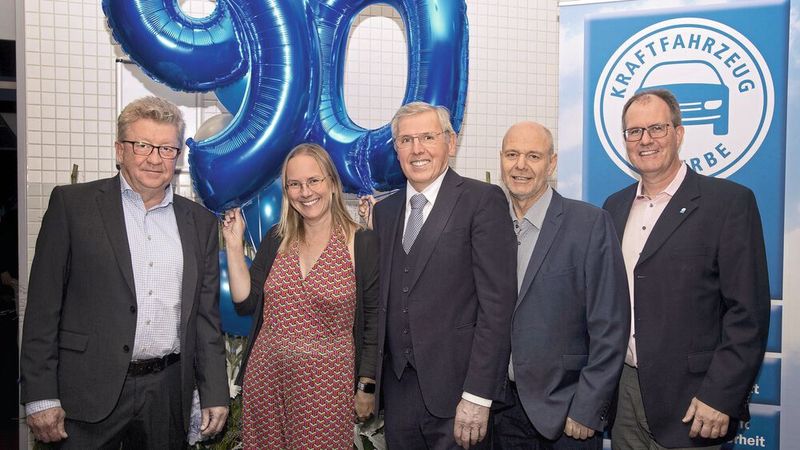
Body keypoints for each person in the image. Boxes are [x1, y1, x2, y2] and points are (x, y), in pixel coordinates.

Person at [19, 96, 229, 448]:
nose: (154, 158)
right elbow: (43, 307)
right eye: (142, 145)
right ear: (120, 150)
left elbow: (206, 319)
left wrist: (214, 392)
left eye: (166, 149)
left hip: (166, 394)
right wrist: (40, 395)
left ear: (177, 157)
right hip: (85, 393)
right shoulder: (73, 206)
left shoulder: (201, 223)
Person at [603, 89, 770, 449]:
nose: (645, 140)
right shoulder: (613, 207)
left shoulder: (728, 204)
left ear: (678, 134)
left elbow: (748, 314)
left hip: (694, 402)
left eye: (657, 128)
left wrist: (720, 395)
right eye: (634, 132)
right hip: (624, 395)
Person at [372, 102, 517, 449]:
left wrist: (479, 396)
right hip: (398, 395)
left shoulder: (482, 201)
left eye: (427, 137)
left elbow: (497, 307)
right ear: (396, 150)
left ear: (450, 143)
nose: (417, 149)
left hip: (459, 398)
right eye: (406, 140)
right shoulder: (385, 212)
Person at [221, 143, 379, 449]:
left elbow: (373, 321)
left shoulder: (361, 243)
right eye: (294, 184)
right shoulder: (276, 238)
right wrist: (232, 243)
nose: (305, 192)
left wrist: (366, 386)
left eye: (313, 181)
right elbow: (246, 301)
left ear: (332, 184)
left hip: (327, 387)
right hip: (267, 379)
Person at [494, 121, 629, 449]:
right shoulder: (489, 224)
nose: (521, 165)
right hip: (501, 414)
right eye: (512, 154)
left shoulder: (589, 224)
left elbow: (611, 326)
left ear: (552, 163)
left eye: (533, 156)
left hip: (567, 413)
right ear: (501, 160)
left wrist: (588, 407)